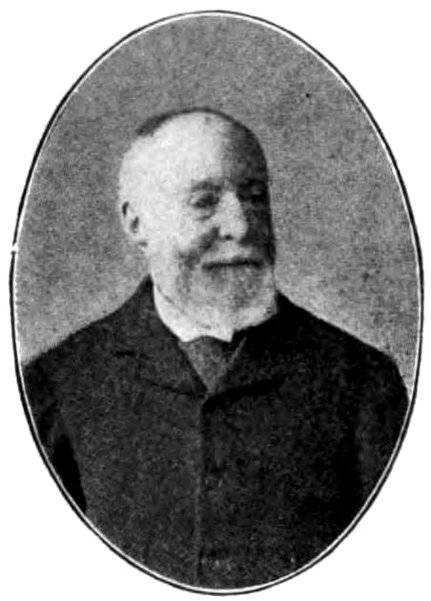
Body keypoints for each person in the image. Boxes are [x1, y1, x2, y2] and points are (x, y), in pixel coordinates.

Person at [23, 108, 408, 589]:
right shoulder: (56, 386)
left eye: (255, 196)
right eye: (204, 202)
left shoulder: (364, 381)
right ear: (136, 223)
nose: (242, 226)